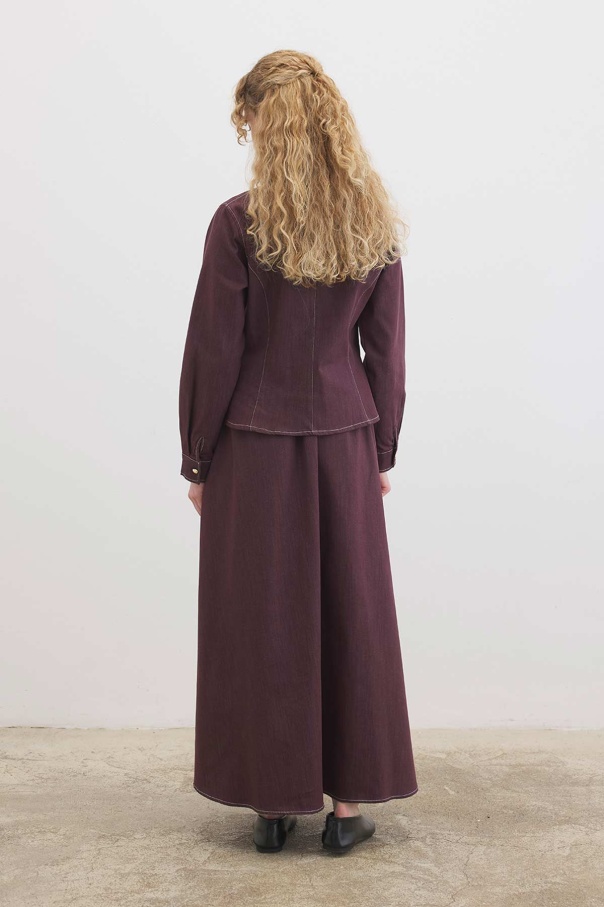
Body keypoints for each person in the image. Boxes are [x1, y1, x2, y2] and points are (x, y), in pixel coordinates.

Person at [178, 50, 418, 855]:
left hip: (252, 445)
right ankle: (347, 811)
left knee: (263, 615)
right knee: (353, 612)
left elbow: (215, 351)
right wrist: (380, 447)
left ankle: (273, 805)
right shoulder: (370, 221)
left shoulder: (237, 223)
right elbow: (387, 353)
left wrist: (198, 457)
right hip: (345, 438)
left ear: (265, 128)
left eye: (249, 126)